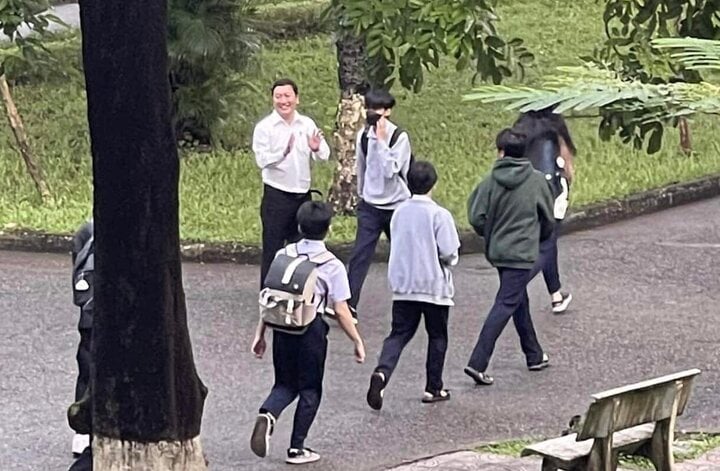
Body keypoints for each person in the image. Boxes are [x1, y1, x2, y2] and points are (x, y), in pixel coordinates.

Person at [250, 201, 366, 465]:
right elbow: (341, 310)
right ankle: (297, 448)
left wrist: (261, 332)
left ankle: (268, 413)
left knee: (284, 384)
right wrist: (356, 340)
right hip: (311, 330)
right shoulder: (332, 265)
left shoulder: (284, 254)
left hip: (281, 326)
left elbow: (271, 297)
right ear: (328, 229)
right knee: (310, 389)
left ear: (300, 226)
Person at [366, 161, 460, 410]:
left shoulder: (399, 212)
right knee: (437, 335)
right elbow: (449, 251)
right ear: (433, 184)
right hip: (433, 286)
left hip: (404, 285)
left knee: (398, 334)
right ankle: (433, 386)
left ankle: (382, 372)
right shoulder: (439, 215)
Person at [464, 129, 555, 386]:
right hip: (523, 252)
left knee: (517, 299)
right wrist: (538, 238)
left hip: (499, 251)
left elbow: (476, 216)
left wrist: (490, 232)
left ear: (500, 152)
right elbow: (548, 218)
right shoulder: (537, 181)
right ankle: (477, 362)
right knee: (506, 302)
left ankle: (533, 353)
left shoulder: (491, 180)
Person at [252, 78, 330, 288]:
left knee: (302, 249)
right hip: (277, 196)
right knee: (272, 249)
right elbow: (262, 161)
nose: (283, 101)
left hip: (302, 196)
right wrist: (282, 152)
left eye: (287, 96)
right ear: (272, 99)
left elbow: (324, 155)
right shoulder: (264, 128)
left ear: (297, 99)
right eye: (278, 96)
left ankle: (298, 295)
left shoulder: (306, 124)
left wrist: (316, 148)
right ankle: (268, 296)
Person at [346, 89, 412, 321]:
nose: (374, 115)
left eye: (379, 110)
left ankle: (411, 300)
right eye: (370, 109)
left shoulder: (399, 138)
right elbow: (361, 167)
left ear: (389, 112)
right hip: (371, 205)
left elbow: (390, 171)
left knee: (403, 254)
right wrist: (362, 195)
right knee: (360, 255)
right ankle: (348, 304)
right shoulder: (363, 136)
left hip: (396, 205)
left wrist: (382, 141)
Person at [512, 109, 576, 313]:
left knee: (548, 244)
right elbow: (567, 165)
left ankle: (556, 295)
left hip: (523, 191)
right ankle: (515, 286)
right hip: (552, 191)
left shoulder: (521, 129)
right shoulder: (554, 128)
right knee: (546, 245)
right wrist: (568, 182)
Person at [70, 220, 94, 458]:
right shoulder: (88, 232)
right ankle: (83, 430)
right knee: (88, 368)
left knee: (87, 368)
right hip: (95, 314)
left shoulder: (87, 231)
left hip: (90, 313)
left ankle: (83, 432)